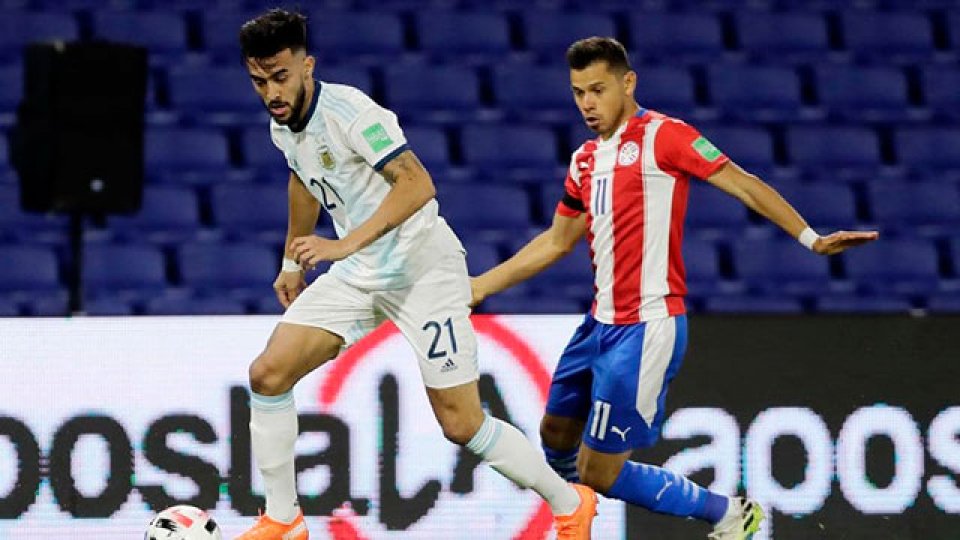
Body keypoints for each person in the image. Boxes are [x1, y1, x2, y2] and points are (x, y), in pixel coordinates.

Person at [470, 37, 879, 540]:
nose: (587, 104)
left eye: (598, 90)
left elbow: (745, 183)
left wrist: (810, 238)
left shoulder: (666, 137)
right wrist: (479, 286)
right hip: (598, 324)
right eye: (578, 93)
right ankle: (580, 510)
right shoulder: (584, 159)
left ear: (628, 82)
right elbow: (556, 241)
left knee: (599, 471)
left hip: (646, 328)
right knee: (554, 436)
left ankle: (730, 514)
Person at [235, 9, 598, 540]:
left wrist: (341, 245)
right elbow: (302, 177)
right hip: (361, 275)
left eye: (280, 76)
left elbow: (417, 185)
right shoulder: (282, 123)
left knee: (461, 424)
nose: (271, 92)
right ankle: (283, 519)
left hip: (423, 270)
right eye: (259, 81)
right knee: (268, 375)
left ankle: (570, 504)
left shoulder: (353, 113)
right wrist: (291, 259)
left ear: (307, 65)